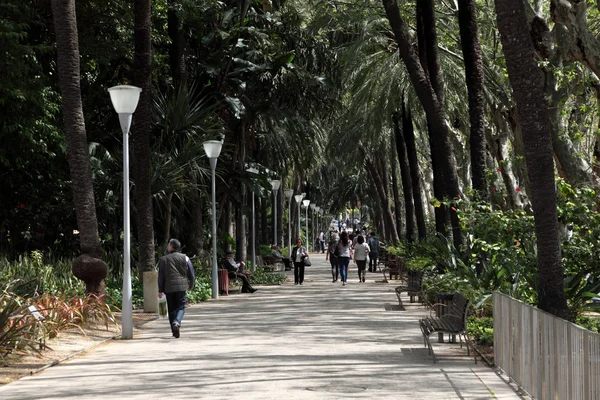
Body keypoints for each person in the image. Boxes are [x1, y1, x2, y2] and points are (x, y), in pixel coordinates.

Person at [158, 238, 195, 339]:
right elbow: (191, 272)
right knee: (181, 307)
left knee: (172, 309)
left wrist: (160, 290)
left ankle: (173, 330)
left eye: (169, 245)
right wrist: (192, 283)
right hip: (181, 287)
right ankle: (177, 322)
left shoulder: (163, 259)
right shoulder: (185, 258)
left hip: (168, 288)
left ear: (171, 246)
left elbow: (161, 276)